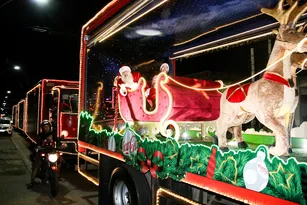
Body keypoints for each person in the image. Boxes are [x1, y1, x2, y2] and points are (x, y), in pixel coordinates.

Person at [27, 120, 64, 188]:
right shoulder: (41, 135)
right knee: (37, 164)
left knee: (60, 160)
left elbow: (58, 141)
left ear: (50, 127)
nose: (46, 128)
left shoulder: (53, 134)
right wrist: (38, 146)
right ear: (43, 128)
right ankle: (31, 181)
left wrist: (61, 145)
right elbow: (38, 142)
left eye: (47, 126)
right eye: (45, 127)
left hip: (52, 151)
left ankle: (57, 175)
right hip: (43, 151)